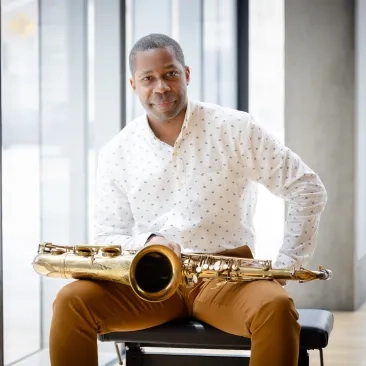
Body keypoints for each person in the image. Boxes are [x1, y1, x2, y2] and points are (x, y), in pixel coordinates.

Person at [49, 33, 327, 366]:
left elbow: (306, 187)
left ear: (187, 74)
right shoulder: (117, 152)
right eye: (148, 79)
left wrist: (286, 265)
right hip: (148, 280)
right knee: (70, 301)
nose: (161, 87)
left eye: (170, 74)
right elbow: (107, 235)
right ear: (133, 84)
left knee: (276, 308)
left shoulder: (235, 128)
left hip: (225, 278)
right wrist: (150, 241)